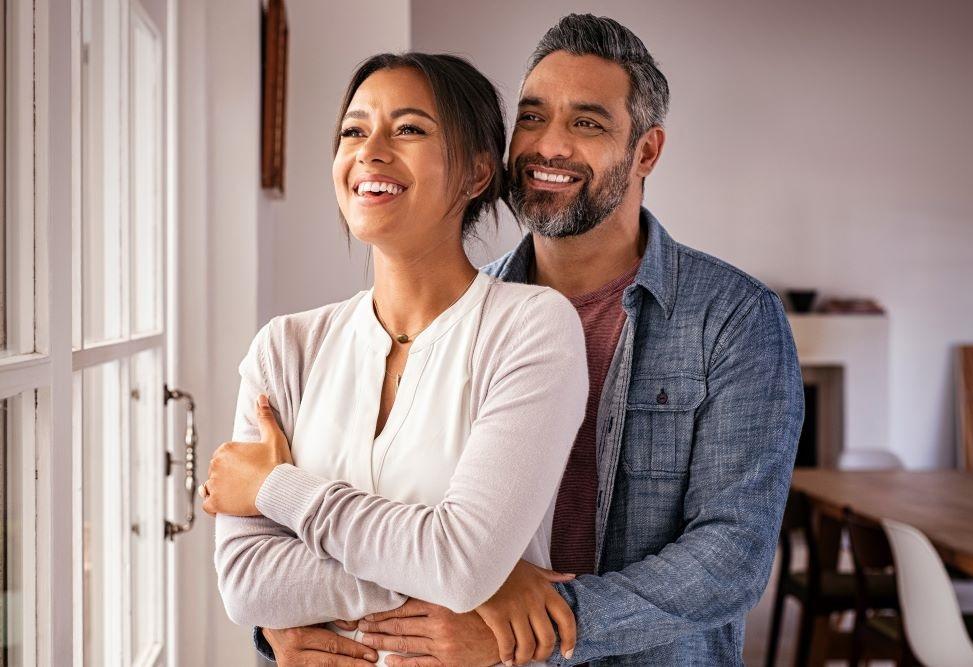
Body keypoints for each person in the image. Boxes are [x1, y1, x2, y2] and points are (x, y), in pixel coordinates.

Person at [265, 14, 805, 666]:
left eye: (587, 122)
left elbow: (732, 555)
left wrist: (544, 625)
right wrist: (287, 620)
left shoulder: (733, 318)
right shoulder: (457, 317)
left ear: (646, 152)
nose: (549, 145)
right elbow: (394, 519)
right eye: (531, 116)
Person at [202, 53, 591, 666]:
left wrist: (273, 488)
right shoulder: (285, 349)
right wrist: (472, 574)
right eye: (354, 131)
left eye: (409, 129)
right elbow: (247, 583)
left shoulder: (532, 329)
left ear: (477, 174)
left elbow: (461, 562)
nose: (371, 151)